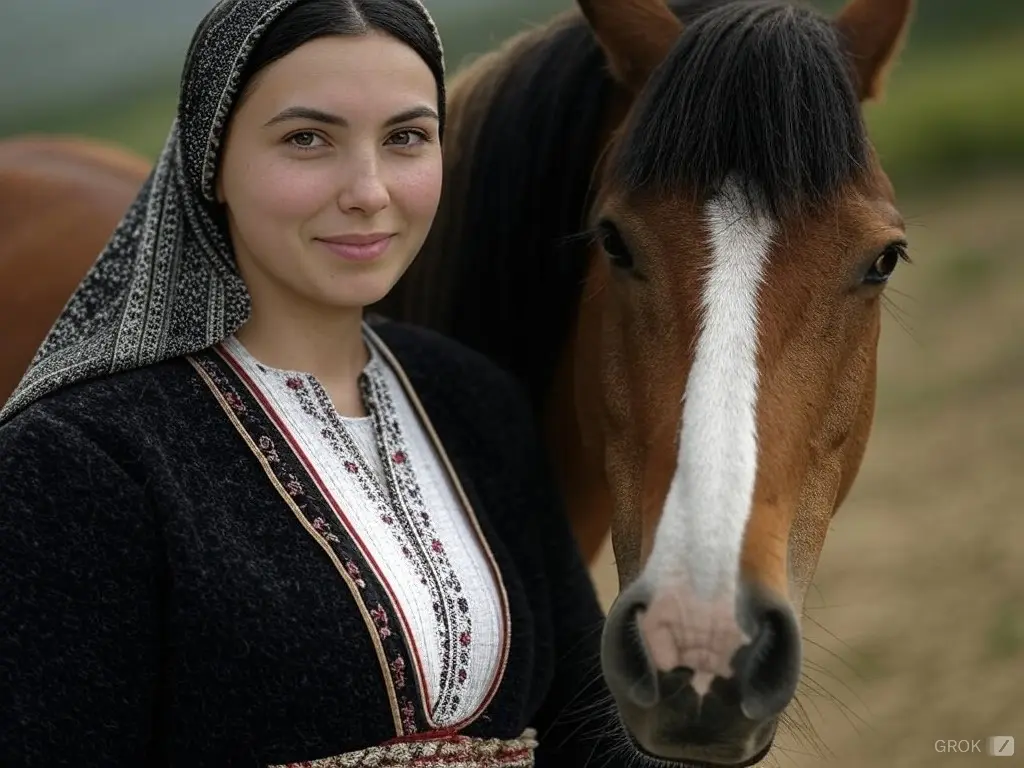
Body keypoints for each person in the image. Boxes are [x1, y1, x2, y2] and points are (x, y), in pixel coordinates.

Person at [0, 1, 627, 766]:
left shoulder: (472, 399)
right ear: (211, 161)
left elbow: (585, 727)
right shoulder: (78, 456)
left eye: (405, 138)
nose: (368, 190)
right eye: (307, 139)